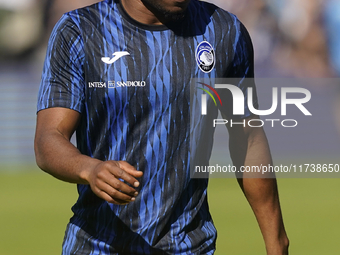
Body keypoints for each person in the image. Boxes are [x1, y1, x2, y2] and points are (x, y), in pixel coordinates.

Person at [34, 0, 289, 254]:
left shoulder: (225, 32)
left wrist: (277, 242)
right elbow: (49, 137)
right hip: (97, 245)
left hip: (189, 247)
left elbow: (248, 137)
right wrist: (89, 169)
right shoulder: (79, 30)